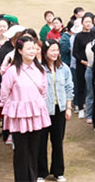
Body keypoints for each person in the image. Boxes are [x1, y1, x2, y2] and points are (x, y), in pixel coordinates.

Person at [0, 36, 51, 182]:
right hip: (19, 116)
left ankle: (33, 178)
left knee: (34, 151)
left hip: (35, 114)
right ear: (20, 51)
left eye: (34, 48)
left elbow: (44, 90)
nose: (32, 51)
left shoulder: (39, 69)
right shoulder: (12, 71)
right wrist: (10, 109)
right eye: (28, 48)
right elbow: (4, 92)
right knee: (21, 153)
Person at [38, 40, 73, 182]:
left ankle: (58, 171)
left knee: (58, 141)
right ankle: (41, 172)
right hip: (44, 110)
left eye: (56, 50)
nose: (54, 53)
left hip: (60, 109)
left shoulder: (64, 68)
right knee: (41, 141)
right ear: (45, 51)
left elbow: (69, 88)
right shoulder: (39, 68)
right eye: (51, 50)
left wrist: (68, 107)